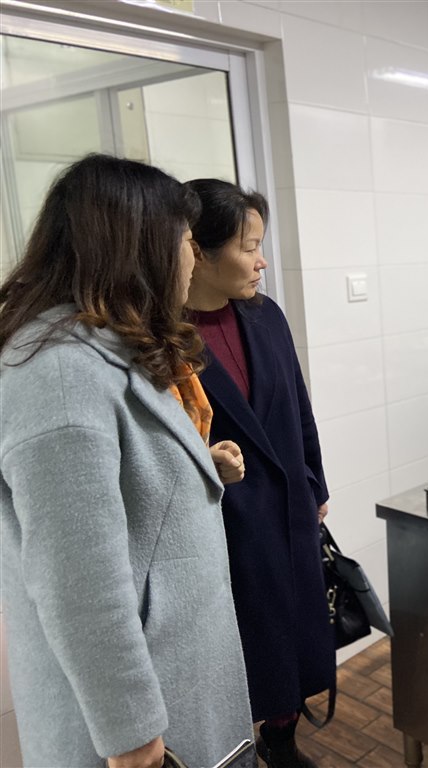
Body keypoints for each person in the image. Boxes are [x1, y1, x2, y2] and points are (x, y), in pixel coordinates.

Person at [0, 154, 254, 768]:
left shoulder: (101, 346)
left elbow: (118, 488)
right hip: (138, 724)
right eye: (187, 242)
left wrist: (194, 469)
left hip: (173, 669)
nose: (192, 258)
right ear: (141, 246)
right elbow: (77, 582)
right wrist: (133, 737)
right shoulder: (61, 375)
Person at [183, 179, 335, 768]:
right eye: (249, 247)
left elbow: (298, 405)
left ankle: (281, 739)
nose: (261, 260)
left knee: (293, 635)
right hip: (226, 521)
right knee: (244, 646)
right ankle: (236, 746)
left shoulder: (265, 315)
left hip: (288, 505)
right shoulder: (163, 335)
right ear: (198, 252)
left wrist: (315, 483)